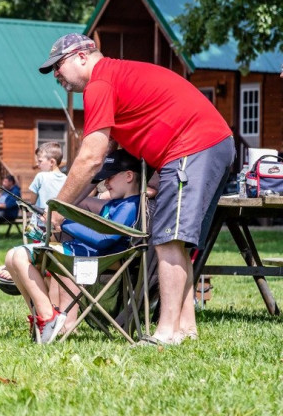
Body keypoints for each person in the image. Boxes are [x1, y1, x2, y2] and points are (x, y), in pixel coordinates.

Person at [37, 33, 234, 345]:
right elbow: (107, 154)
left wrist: (57, 210)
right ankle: (185, 327)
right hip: (206, 144)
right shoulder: (114, 78)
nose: (57, 74)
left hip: (193, 145)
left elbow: (91, 156)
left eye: (59, 65)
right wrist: (75, 201)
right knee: (176, 241)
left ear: (84, 56)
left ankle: (166, 333)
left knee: (168, 238)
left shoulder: (100, 84)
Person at [2, 149, 143, 343]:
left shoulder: (130, 206)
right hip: (82, 251)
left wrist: (63, 223)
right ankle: (41, 317)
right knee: (11, 257)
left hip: (98, 258)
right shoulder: (115, 203)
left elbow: (104, 240)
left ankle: (48, 317)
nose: (106, 183)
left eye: (110, 177)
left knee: (18, 256)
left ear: (128, 176)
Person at [22, 142, 67, 242]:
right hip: (59, 224)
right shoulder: (66, 179)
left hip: (41, 224)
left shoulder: (40, 176)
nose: (37, 165)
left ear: (52, 162)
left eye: (40, 161)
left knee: (39, 250)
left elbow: (32, 201)